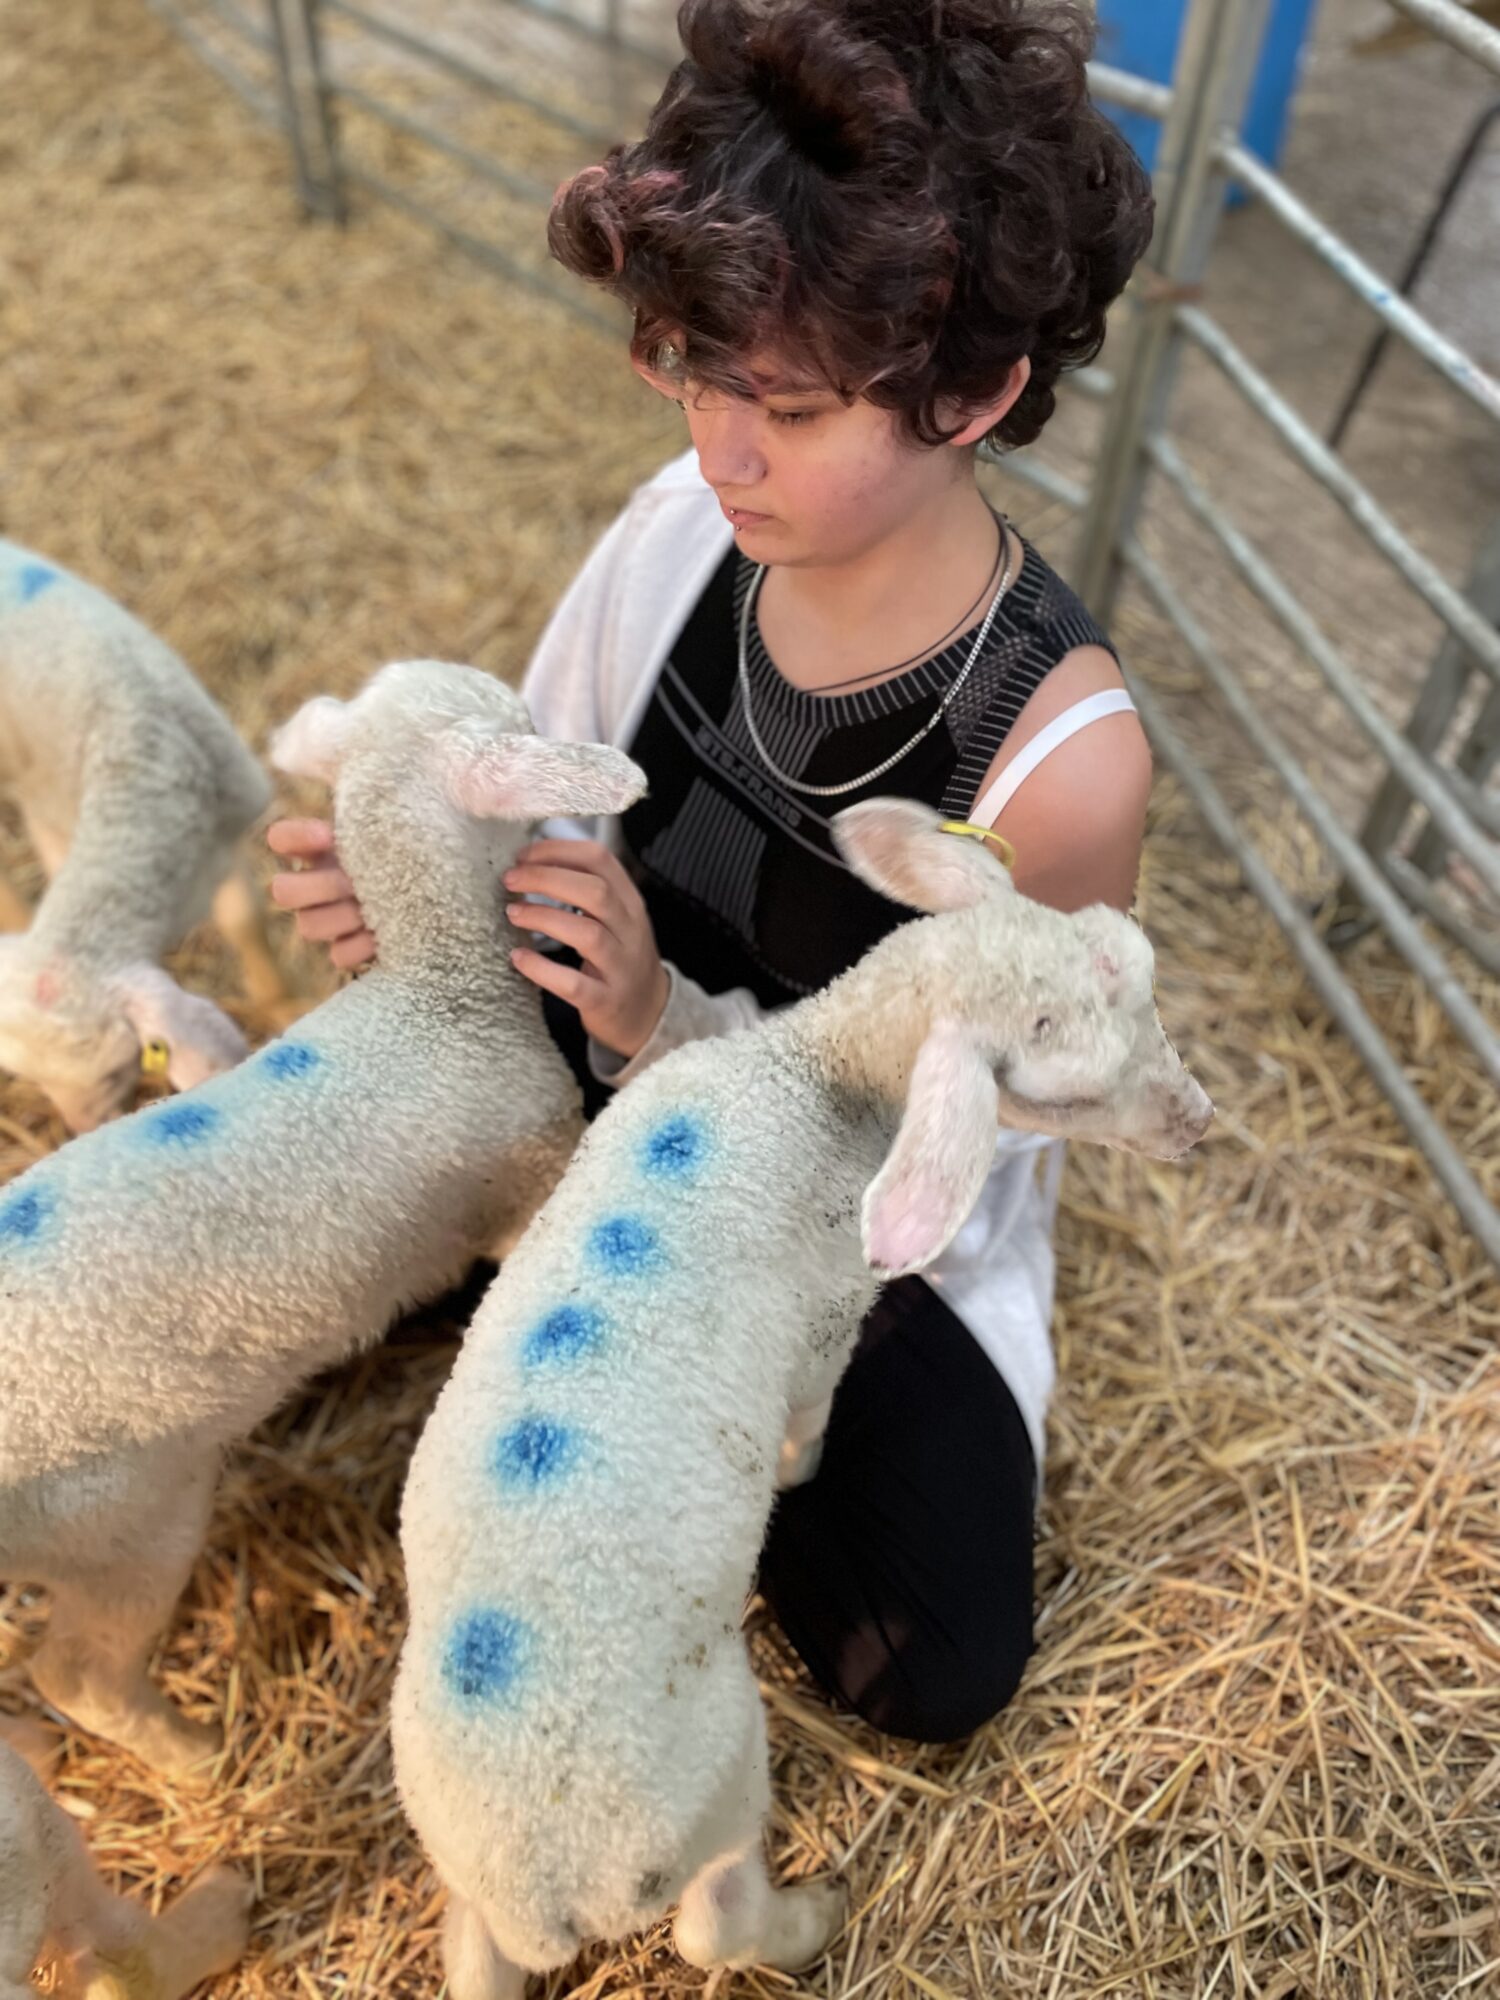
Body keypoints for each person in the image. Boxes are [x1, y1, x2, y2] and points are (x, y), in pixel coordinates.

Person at [268, 0, 1155, 1744]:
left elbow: (948, 1163)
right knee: (289, 1227)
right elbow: (543, 814)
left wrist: (662, 1025)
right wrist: (423, 905)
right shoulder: (684, 528)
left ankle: (535, 1281)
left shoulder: (1059, 764)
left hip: (836, 1230)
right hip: (586, 1067)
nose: (721, 449)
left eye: (794, 407)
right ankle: (532, 1265)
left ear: (977, 393)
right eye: (697, 374)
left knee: (929, 1663)